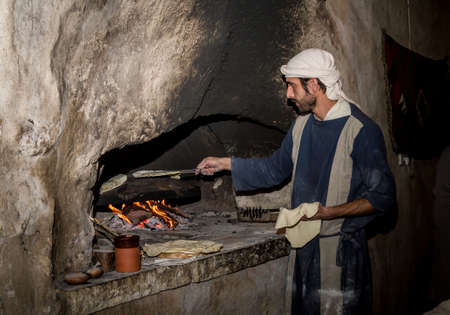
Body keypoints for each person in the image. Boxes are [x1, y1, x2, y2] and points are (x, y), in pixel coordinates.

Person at [196, 48, 395, 315]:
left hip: (340, 257)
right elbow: (274, 169)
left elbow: (382, 197)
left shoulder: (360, 131)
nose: (288, 95)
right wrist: (225, 163)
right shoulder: (301, 126)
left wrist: (330, 213)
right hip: (303, 250)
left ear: (314, 85)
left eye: (292, 87)